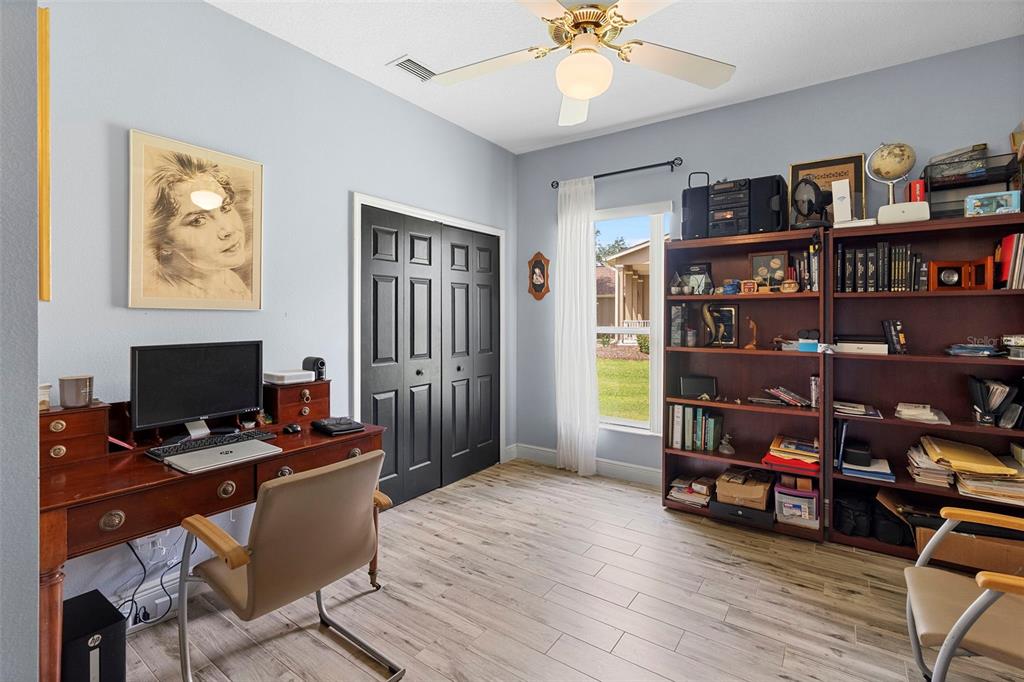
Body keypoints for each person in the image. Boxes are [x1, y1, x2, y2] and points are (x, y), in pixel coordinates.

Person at [144, 152, 251, 300]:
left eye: (225, 207)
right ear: (164, 241)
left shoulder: (230, 281)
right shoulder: (161, 293)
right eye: (198, 221)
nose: (228, 230)